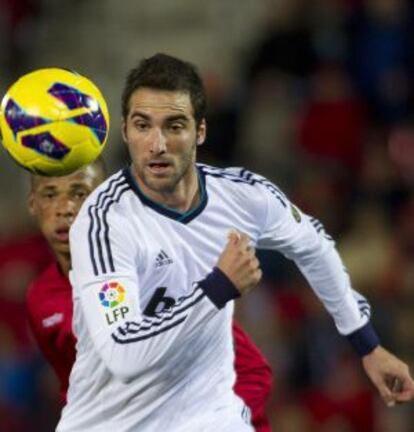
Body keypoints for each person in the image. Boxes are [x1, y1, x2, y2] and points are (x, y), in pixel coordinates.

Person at [58, 53, 414, 431]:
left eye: (174, 125)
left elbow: (315, 246)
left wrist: (367, 345)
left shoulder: (244, 196)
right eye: (142, 125)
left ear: (200, 131)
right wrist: (217, 286)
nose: (156, 144)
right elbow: (124, 353)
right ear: (126, 131)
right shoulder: (103, 222)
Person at [26, 160, 273, 431]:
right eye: (50, 194)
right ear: (32, 203)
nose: (65, 209)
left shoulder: (156, 275)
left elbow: (251, 371)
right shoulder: (40, 300)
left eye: (80, 193)